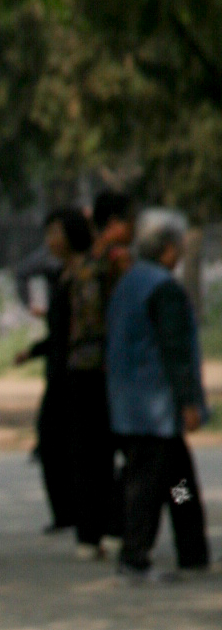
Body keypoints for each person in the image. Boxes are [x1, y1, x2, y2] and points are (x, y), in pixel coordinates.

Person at [107, 206, 211, 577]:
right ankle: (135, 556)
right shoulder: (162, 288)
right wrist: (188, 402)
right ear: (168, 247)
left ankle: (192, 552)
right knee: (145, 486)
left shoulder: (130, 281)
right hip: (154, 407)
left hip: (131, 404)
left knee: (179, 481)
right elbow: (175, 351)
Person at [13, 206, 92, 531]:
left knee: (164, 466)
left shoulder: (93, 277)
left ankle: (187, 539)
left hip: (90, 377)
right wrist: (34, 351)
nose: (50, 241)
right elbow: (62, 334)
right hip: (67, 373)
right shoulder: (65, 277)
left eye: (55, 233)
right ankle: (81, 522)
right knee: (57, 444)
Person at [65, 190, 132, 556]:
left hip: (81, 368)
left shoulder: (83, 262)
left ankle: (89, 534)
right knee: (149, 458)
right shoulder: (120, 261)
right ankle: (120, 526)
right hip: (112, 369)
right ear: (116, 223)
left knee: (89, 456)